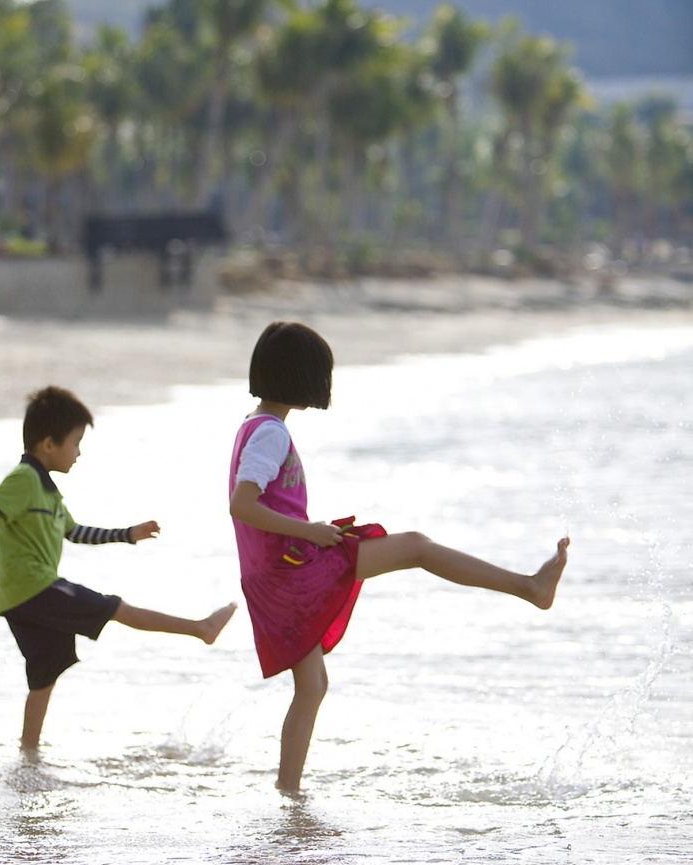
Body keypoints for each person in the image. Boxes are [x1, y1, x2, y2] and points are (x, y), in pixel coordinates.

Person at [229, 321, 569, 792]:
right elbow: (242, 505)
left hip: (273, 572)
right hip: (292, 570)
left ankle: (288, 799)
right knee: (416, 547)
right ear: (300, 375)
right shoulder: (271, 434)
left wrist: (307, 531)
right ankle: (530, 587)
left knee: (311, 686)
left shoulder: (255, 425)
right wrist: (310, 530)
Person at [0, 386, 235, 749]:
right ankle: (200, 629)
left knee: (44, 673)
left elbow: (76, 533)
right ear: (47, 444)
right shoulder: (23, 480)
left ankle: (29, 752)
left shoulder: (50, 493)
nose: (78, 452)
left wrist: (128, 534)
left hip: (22, 597)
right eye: (75, 443)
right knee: (113, 607)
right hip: (34, 588)